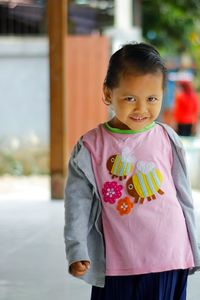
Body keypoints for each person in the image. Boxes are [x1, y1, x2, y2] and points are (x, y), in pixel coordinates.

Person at [64, 42, 200, 300]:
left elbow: (184, 198)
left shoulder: (167, 138)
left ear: (162, 95)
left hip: (169, 257)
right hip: (119, 265)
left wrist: (194, 247)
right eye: (130, 98)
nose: (141, 109)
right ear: (107, 94)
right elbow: (77, 203)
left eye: (152, 99)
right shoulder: (91, 146)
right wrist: (77, 248)